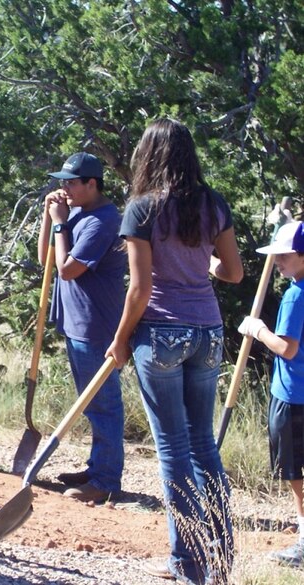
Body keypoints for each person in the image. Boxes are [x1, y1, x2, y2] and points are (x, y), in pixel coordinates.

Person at [105, 119, 243, 584]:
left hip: (161, 333)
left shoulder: (142, 209)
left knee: (174, 451)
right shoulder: (213, 204)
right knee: (204, 444)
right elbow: (235, 273)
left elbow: (140, 290)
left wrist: (121, 338)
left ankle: (186, 563)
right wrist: (199, 264)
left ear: (148, 155)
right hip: (208, 330)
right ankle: (222, 557)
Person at [40, 152, 126, 503]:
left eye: (71, 182)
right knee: (90, 403)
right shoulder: (77, 213)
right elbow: (47, 257)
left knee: (104, 404)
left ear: (93, 184)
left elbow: (68, 269)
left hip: (96, 326)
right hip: (77, 323)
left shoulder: (102, 221)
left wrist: (61, 223)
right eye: (62, 182)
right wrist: (51, 219)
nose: (65, 188)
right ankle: (97, 467)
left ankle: (106, 481)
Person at [238, 220, 304, 568]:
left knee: (295, 472)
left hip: (294, 394)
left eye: (284, 255)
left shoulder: (296, 295)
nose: (277, 261)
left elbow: (287, 349)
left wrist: (259, 329)